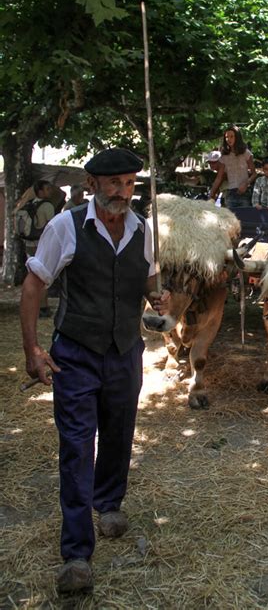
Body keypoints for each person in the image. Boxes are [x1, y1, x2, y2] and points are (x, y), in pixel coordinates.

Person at [19, 148, 169, 594]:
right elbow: (33, 286)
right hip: (76, 355)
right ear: (91, 184)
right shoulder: (65, 227)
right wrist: (32, 349)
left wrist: (156, 299)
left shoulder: (142, 230)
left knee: (120, 433)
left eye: (128, 184)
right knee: (77, 447)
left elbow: (144, 280)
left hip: (125, 352)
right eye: (113, 183)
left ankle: (109, 503)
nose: (122, 192)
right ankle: (77, 554)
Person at [22, 180, 56, 317]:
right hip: (42, 244)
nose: (50, 191)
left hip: (29, 244)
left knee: (33, 275)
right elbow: (53, 226)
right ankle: (43, 307)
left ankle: (35, 305)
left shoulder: (29, 204)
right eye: (47, 189)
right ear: (40, 191)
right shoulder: (47, 206)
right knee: (43, 276)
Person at [209, 125, 256, 211]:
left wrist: (246, 184)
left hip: (244, 192)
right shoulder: (224, 156)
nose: (228, 139)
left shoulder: (246, 153)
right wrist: (211, 194)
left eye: (231, 136)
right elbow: (219, 178)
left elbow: (254, 174)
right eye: (226, 137)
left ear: (237, 137)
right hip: (230, 193)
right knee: (231, 221)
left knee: (245, 220)